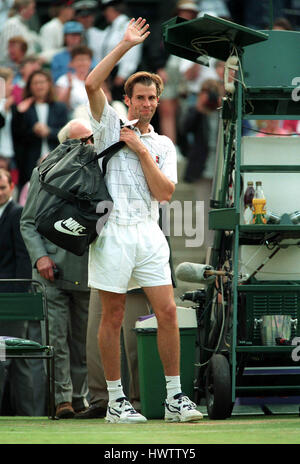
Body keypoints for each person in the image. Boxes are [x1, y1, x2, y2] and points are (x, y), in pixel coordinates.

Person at [85, 17, 203, 423]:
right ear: (128, 99)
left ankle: (175, 398)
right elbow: (89, 84)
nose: (147, 103)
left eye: (153, 97)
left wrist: (138, 149)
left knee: (167, 312)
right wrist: (123, 45)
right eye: (140, 97)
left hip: (150, 232)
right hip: (112, 230)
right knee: (113, 316)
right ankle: (117, 402)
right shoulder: (107, 127)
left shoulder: (163, 144)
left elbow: (166, 193)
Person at [20, 118, 93, 419]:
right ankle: (63, 399)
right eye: (77, 141)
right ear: (63, 144)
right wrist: (39, 257)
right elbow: (27, 221)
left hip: (89, 270)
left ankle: (82, 398)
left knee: (84, 341)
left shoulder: (101, 175)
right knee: (57, 339)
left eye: (88, 139)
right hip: (51, 269)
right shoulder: (43, 173)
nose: (84, 146)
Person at [0, 168, 34, 416]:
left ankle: (29, 415)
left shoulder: (17, 214)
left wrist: (18, 298)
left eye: (2, 187)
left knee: (14, 358)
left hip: (11, 301)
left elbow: (23, 260)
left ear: (12, 187)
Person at [11, 69, 69, 188]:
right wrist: (32, 129)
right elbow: (17, 135)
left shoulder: (60, 107)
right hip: (30, 162)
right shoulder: (24, 108)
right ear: (30, 86)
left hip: (56, 159)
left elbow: (67, 134)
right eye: (35, 83)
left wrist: (49, 132)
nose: (39, 86)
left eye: (42, 82)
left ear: (49, 84)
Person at [98, 0, 143, 102]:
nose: (105, 14)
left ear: (112, 10)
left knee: (124, 104)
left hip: (124, 75)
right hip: (112, 73)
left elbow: (132, 51)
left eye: (106, 10)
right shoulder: (112, 27)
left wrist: (122, 74)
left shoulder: (129, 25)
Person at [55, 45, 92, 119]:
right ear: (71, 63)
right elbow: (60, 105)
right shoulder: (63, 80)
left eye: (85, 59)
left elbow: (108, 99)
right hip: (73, 116)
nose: (82, 63)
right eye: (79, 60)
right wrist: (70, 87)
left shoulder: (96, 79)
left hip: (94, 115)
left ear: (90, 62)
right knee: (81, 111)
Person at [0, 0, 40, 64]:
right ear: (22, 8)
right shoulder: (12, 24)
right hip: (12, 68)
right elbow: (7, 52)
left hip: (23, 65)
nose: (34, 11)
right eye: (32, 8)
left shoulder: (22, 24)